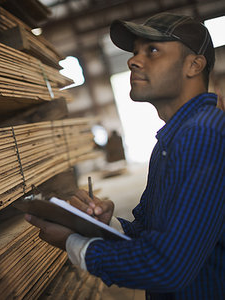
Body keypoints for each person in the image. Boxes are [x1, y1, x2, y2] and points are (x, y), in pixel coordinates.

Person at [25, 12, 224, 299]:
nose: (133, 60)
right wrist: (104, 225)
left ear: (194, 65)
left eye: (153, 50)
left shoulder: (203, 134)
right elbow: (150, 231)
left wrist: (74, 243)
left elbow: (167, 268)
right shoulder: (172, 139)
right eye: (135, 52)